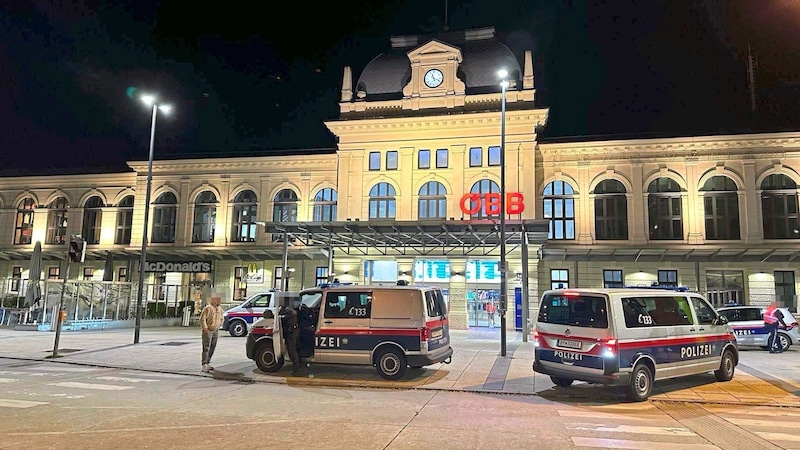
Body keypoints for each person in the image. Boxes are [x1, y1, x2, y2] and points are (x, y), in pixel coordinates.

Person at [278, 298, 306, 376]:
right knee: (296, 349)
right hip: (295, 330)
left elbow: (283, 317)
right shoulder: (293, 308)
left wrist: (279, 316)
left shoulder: (288, 309)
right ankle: (300, 367)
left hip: (291, 332)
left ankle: (297, 370)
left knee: (292, 350)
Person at [199, 293, 223, 372]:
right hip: (208, 330)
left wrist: (219, 325)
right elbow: (202, 319)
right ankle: (204, 364)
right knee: (206, 347)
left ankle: (208, 362)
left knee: (213, 346)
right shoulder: (208, 308)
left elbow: (222, 318)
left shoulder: (219, 309)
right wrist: (205, 328)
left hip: (215, 330)